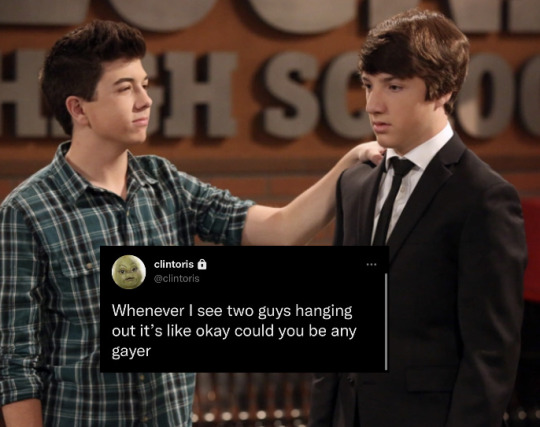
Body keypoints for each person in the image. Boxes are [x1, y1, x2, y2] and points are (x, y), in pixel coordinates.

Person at [0, 20, 384, 427]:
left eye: (144, 85)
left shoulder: (166, 183)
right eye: (125, 88)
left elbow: (278, 231)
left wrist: (349, 163)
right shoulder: (26, 211)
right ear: (78, 109)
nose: (145, 100)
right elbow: (15, 364)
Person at [308, 8, 527, 427]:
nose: (372, 105)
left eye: (394, 86)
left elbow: (490, 355)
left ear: (442, 90)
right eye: (368, 85)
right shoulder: (355, 185)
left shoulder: (484, 197)